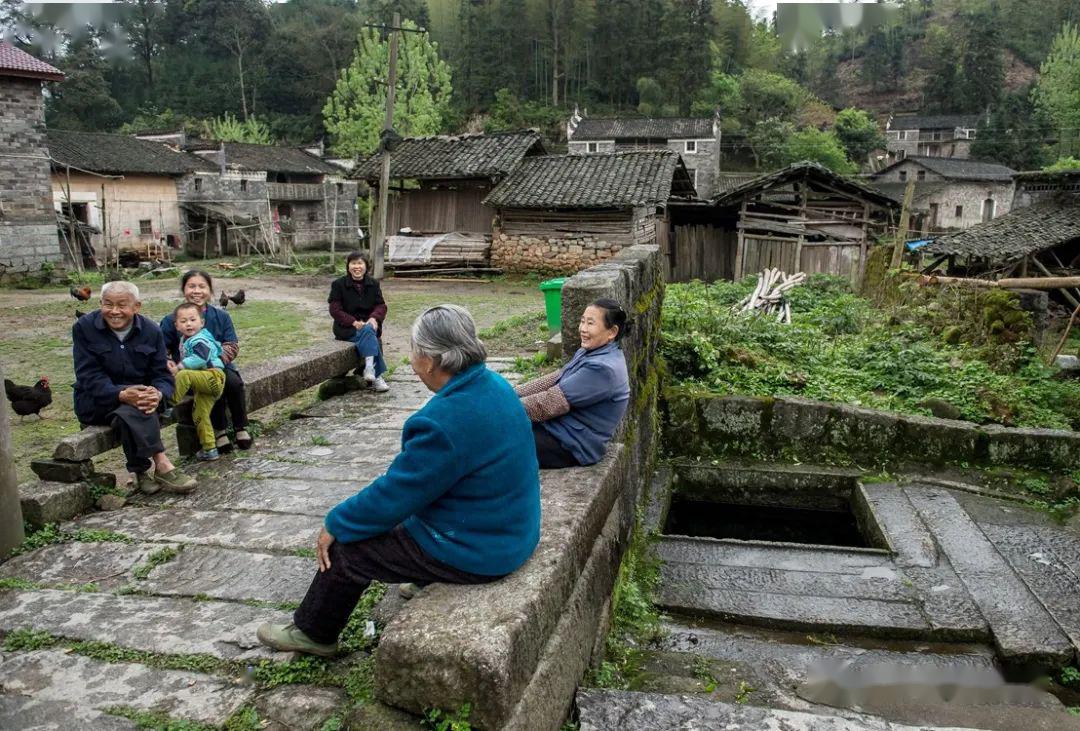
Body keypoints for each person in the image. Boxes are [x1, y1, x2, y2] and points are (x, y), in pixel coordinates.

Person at [256, 305, 540, 656]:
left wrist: (337, 521)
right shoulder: (492, 383)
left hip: (481, 548)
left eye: (413, 349)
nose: (411, 358)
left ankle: (314, 632)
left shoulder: (442, 422)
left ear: (431, 360)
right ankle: (425, 577)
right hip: (511, 531)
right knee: (408, 518)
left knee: (349, 550)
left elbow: (395, 494)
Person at [73, 281, 196, 494]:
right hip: (97, 401)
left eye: (122, 305)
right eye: (108, 304)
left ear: (136, 306)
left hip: (140, 400)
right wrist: (120, 394)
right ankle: (162, 463)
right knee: (135, 406)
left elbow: (162, 375)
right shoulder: (84, 327)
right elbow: (88, 376)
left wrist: (157, 393)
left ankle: (140, 472)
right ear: (100, 303)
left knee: (135, 407)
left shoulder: (151, 331)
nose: (114, 311)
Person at [516, 298, 631, 468]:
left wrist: (503, 408)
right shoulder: (591, 351)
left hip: (569, 444)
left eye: (590, 323)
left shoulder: (603, 369)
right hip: (558, 429)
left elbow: (549, 403)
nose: (583, 329)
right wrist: (510, 393)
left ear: (612, 332)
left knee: (494, 436)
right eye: (582, 321)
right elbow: (556, 378)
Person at [161, 270, 253, 452]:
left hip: (218, 364)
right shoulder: (172, 320)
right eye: (191, 286)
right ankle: (219, 432)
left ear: (210, 291)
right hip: (189, 370)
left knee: (233, 382)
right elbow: (162, 350)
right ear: (184, 290)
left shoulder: (221, 316)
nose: (197, 291)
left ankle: (240, 427)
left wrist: (213, 361)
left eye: (202, 286)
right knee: (208, 388)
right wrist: (169, 363)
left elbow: (232, 345)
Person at [167, 302, 226, 461]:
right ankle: (209, 449)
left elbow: (200, 358)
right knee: (200, 414)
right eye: (183, 321)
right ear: (176, 326)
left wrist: (179, 367)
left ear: (202, 322)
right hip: (205, 385)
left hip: (212, 376)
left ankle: (168, 404)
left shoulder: (199, 339)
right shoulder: (185, 340)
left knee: (183, 375)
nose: (188, 324)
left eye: (193, 320)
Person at [329, 252, 389, 393]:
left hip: (369, 325)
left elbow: (381, 306)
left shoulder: (373, 284)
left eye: (360, 263)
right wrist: (353, 322)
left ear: (366, 266)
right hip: (347, 328)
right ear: (348, 266)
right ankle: (376, 375)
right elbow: (334, 310)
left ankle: (370, 369)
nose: (357, 267)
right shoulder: (338, 284)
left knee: (368, 330)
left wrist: (374, 317)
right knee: (370, 334)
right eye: (353, 263)